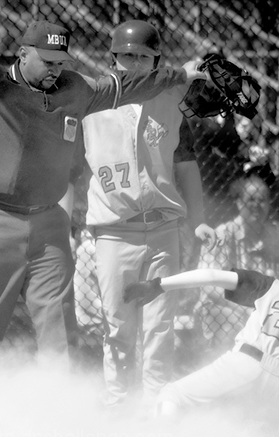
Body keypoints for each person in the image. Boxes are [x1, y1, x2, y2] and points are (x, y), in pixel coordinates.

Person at [0, 19, 206, 379]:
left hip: (49, 225)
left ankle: (63, 411)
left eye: (60, 61)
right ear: (23, 54)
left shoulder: (76, 88)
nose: (55, 69)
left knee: (60, 326)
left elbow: (129, 86)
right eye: (47, 60)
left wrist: (180, 74)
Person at [78, 20, 216, 411]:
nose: (134, 63)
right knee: (118, 325)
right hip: (113, 232)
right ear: (113, 58)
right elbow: (70, 164)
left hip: (162, 230)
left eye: (143, 56)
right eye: (126, 55)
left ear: (157, 59)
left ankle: (156, 404)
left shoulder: (172, 100)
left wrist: (198, 219)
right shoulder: (94, 99)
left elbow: (185, 163)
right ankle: (119, 404)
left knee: (160, 325)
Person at [124, 250, 279, 426]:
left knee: (172, 395)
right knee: (248, 434)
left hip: (248, 363)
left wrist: (158, 284)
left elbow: (211, 276)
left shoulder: (277, 286)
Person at [194, 168, 279, 361]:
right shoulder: (222, 235)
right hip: (226, 309)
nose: (257, 205)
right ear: (239, 202)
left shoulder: (276, 238)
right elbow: (209, 287)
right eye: (251, 200)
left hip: (265, 313)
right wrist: (248, 310)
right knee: (230, 321)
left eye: (262, 200)